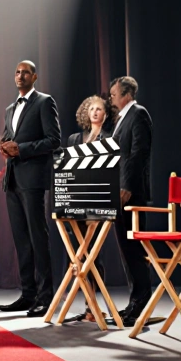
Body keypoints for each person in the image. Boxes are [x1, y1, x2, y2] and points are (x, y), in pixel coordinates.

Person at [0, 61, 61, 316]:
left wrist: (21, 149)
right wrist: (3, 145)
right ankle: (28, 295)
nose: (20, 75)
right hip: (12, 179)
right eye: (16, 72)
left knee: (37, 238)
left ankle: (46, 298)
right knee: (21, 240)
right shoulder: (9, 108)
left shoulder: (45, 102)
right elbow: (8, 136)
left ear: (34, 76)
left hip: (33, 180)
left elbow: (54, 140)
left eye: (25, 72)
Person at [64, 94, 116, 323]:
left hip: (98, 202)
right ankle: (87, 306)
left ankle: (94, 306)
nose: (95, 112)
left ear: (106, 114)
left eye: (100, 109)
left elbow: (108, 174)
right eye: (92, 108)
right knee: (77, 255)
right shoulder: (74, 138)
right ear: (85, 111)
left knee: (95, 255)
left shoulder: (110, 138)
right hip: (75, 202)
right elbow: (67, 172)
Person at [109, 75, 153, 326]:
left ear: (126, 93)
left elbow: (138, 153)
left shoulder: (138, 113)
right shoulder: (121, 118)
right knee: (126, 248)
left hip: (130, 191)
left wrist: (127, 185)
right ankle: (134, 301)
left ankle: (141, 302)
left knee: (134, 248)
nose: (111, 96)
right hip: (119, 190)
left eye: (114, 92)